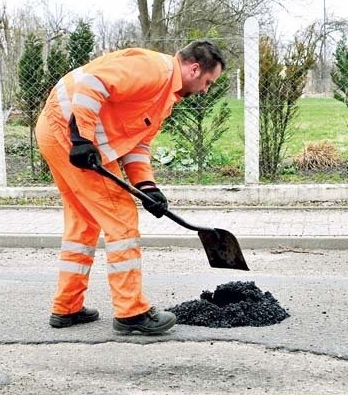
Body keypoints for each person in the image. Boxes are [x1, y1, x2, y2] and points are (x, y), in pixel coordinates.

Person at [35, 39, 226, 335]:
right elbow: (93, 83)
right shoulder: (154, 70)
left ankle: (67, 307)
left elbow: (137, 143)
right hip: (66, 130)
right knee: (121, 218)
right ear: (194, 68)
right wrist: (81, 137)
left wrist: (147, 187)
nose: (205, 90)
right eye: (208, 82)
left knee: (83, 223)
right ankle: (130, 312)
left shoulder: (166, 95)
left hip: (56, 131)